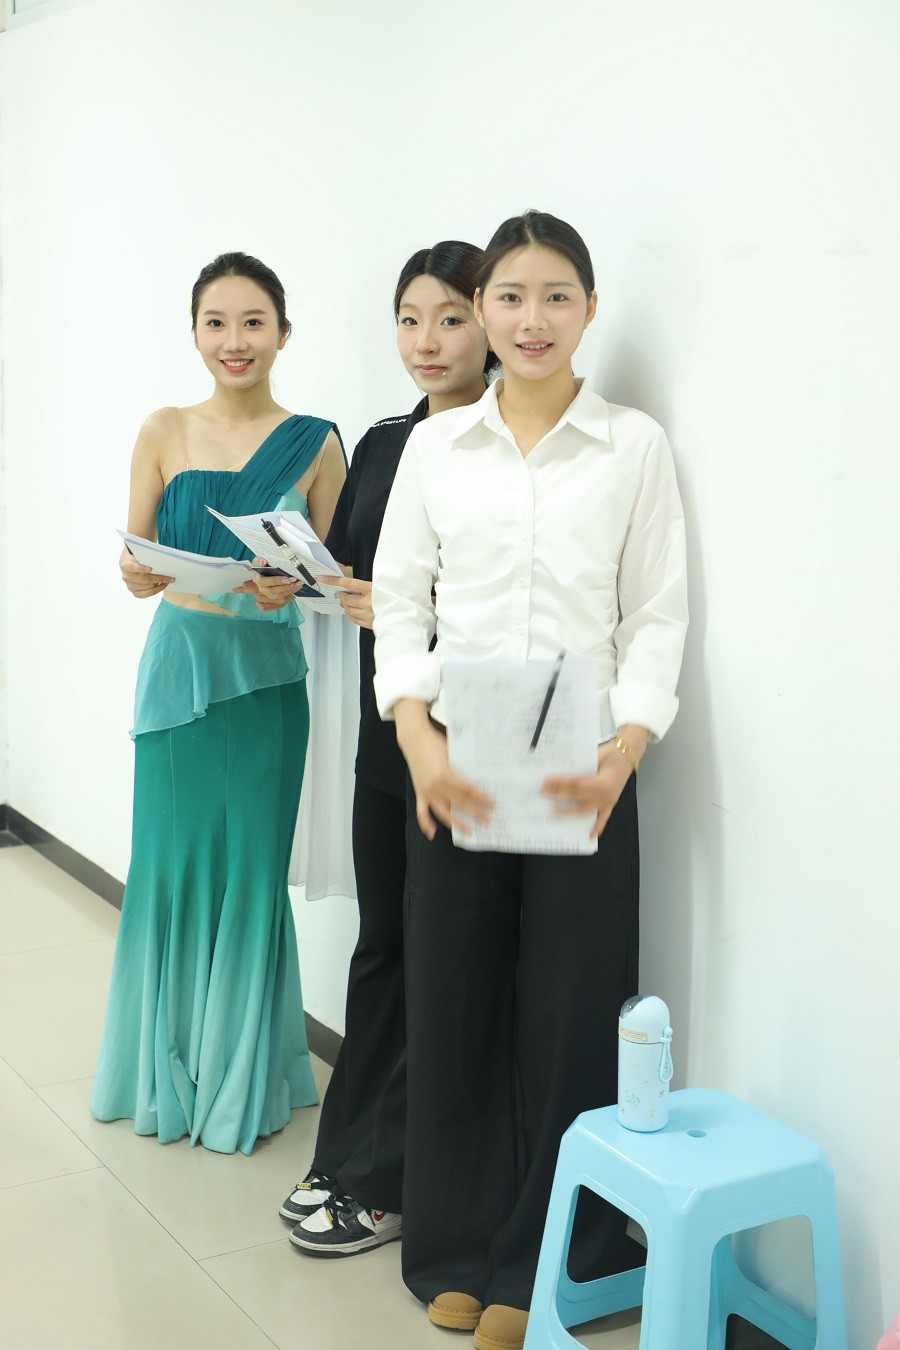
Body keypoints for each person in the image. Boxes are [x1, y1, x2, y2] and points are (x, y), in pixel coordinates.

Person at [371, 212, 688, 1350]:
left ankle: (547, 1256)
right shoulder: (436, 449)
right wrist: (417, 739)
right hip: (461, 744)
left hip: (585, 753)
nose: (532, 319)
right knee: (453, 1002)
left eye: (558, 296)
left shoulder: (632, 445)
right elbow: (399, 600)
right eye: (509, 297)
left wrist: (627, 749)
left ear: (590, 309)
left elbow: (656, 615)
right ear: (482, 311)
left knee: (569, 1012)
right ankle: (455, 1247)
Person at [90, 252, 346, 1156]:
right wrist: (135, 571)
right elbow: (136, 562)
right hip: (180, 672)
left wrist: (299, 586)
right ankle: (163, 1067)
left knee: (251, 875)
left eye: (253, 322)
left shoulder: (318, 442)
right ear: (195, 332)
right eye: (217, 322)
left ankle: (241, 1076)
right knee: (168, 866)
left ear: (283, 332)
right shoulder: (163, 430)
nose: (235, 340)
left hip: (268, 678)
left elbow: (335, 580)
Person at [279, 241, 495, 1256]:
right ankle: (344, 1152)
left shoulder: (505, 450)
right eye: (411, 319)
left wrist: (406, 612)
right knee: (382, 950)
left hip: (460, 738)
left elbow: (508, 605)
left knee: (439, 961)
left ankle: (387, 1181)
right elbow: (352, 568)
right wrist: (303, 580)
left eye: (450, 318)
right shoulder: (382, 442)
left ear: (490, 325)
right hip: (383, 731)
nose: (427, 341)